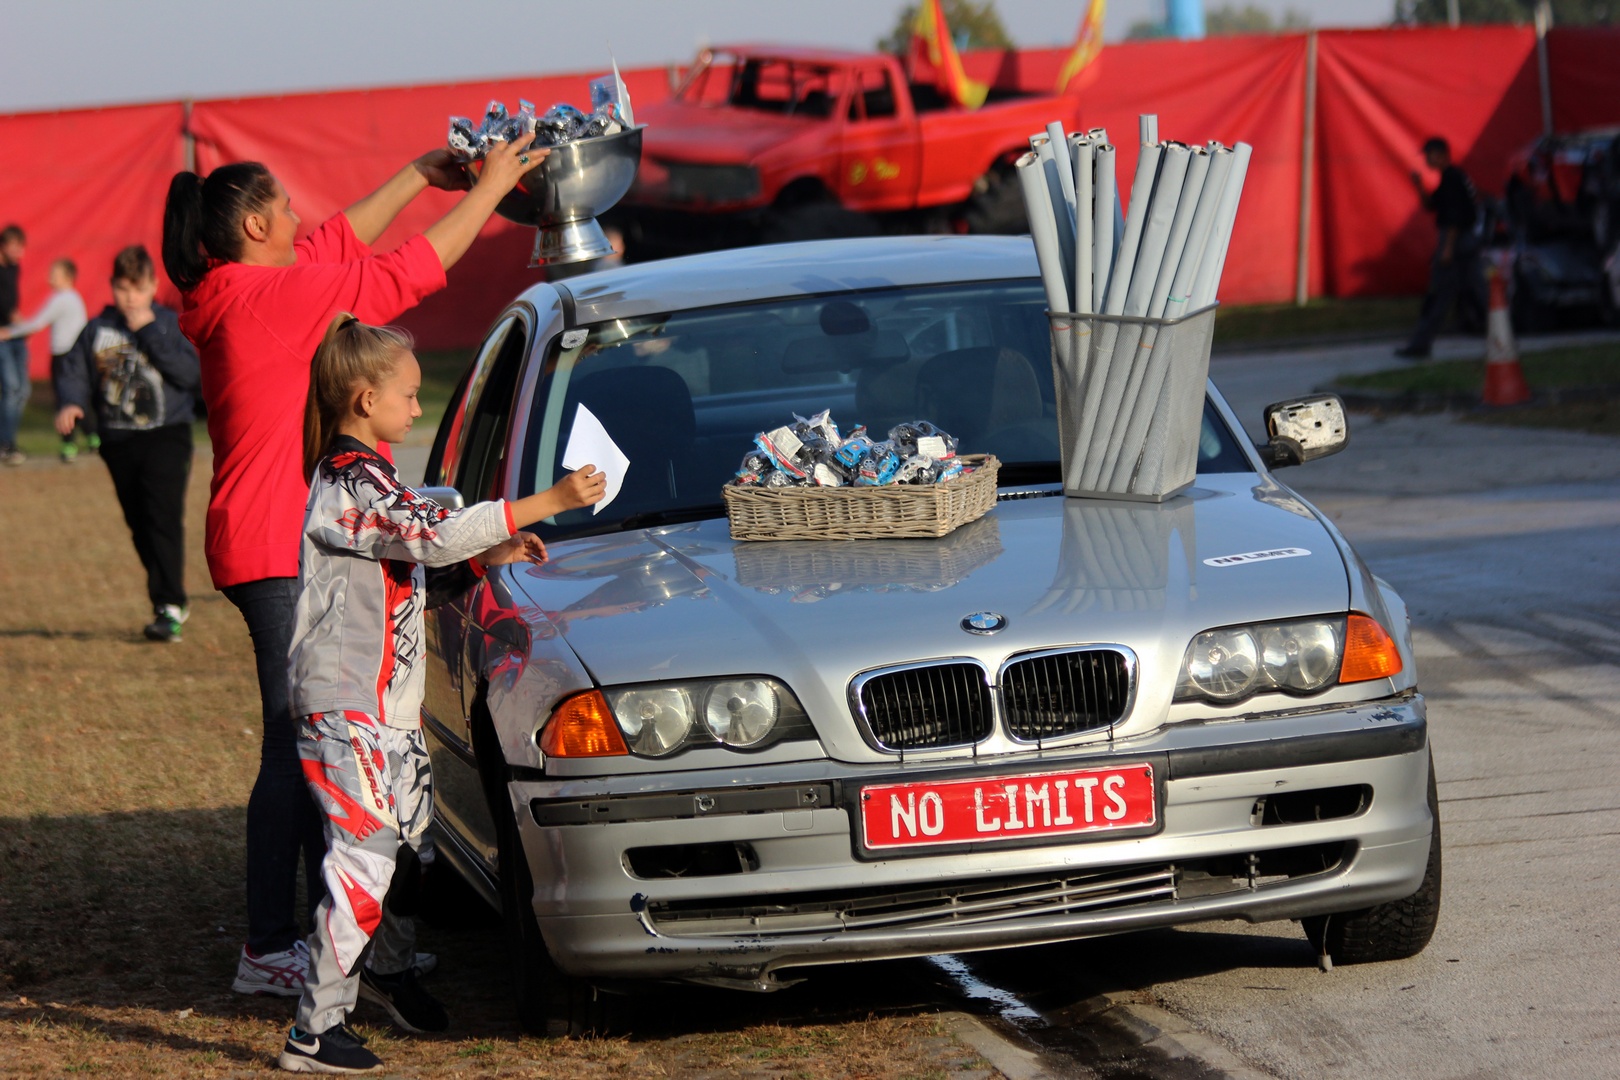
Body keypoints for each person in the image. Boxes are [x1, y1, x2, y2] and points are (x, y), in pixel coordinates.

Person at [161, 132, 545, 997]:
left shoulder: (242, 286)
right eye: (286, 211)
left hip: (259, 539)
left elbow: (336, 242)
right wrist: (488, 190)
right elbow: (402, 270)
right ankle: (277, 946)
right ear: (257, 224)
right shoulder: (269, 298)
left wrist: (419, 176)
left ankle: (318, 932)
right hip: (272, 546)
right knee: (301, 749)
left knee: (303, 744)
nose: (304, 223)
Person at [279, 314, 604, 1074]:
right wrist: (545, 500)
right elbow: (426, 533)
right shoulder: (344, 483)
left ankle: (385, 974)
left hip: (386, 706)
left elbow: (410, 568)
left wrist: (491, 549)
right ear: (364, 399)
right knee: (362, 860)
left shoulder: (373, 477)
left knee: (411, 851)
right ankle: (313, 1029)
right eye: (409, 394)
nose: (419, 408)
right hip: (343, 706)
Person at [55, 246, 199, 641]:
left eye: (138, 288)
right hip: (118, 440)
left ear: (153, 286)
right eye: (122, 288)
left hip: (167, 435)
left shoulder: (171, 325)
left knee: (162, 516)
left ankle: (168, 604)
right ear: (112, 288)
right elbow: (74, 371)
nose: (130, 297)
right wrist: (70, 402)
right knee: (138, 523)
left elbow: (190, 375)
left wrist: (149, 330)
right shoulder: (97, 330)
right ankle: (168, 597)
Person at [1397, 136, 1486, 360]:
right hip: (1465, 243)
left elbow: (1453, 218)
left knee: (1439, 295)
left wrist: (1446, 250)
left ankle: (1420, 344)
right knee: (1478, 292)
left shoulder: (1452, 179)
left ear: (1442, 155)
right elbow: (1432, 206)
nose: (1427, 159)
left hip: (1456, 242)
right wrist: (1418, 186)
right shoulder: (1450, 178)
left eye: (1430, 154)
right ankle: (1504, 334)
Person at [3, 257, 91, 462]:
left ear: (67, 277)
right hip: (72, 356)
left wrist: (10, 332)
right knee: (79, 396)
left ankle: (69, 443)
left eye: (54, 273)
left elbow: (37, 323)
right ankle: (92, 438)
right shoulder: (73, 298)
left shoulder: (62, 298)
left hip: (65, 357)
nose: (49, 277)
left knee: (65, 399)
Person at [0, 224, 28, 465]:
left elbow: (10, 301)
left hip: (15, 335)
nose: (20, 253)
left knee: (23, 390)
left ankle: (8, 440)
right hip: (2, 339)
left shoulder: (15, 267)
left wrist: (19, 320)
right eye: (15, 247)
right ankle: (6, 444)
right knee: (10, 389)